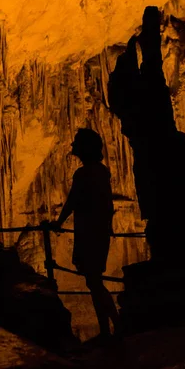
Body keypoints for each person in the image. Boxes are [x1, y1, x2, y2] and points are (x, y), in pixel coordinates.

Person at [50, 128, 121, 341]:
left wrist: (59, 222)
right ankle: (109, 328)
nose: (74, 148)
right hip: (99, 231)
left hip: (88, 232)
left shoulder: (83, 174)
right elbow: (107, 205)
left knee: (94, 282)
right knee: (94, 281)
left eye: (77, 145)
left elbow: (72, 201)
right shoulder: (102, 172)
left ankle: (113, 327)